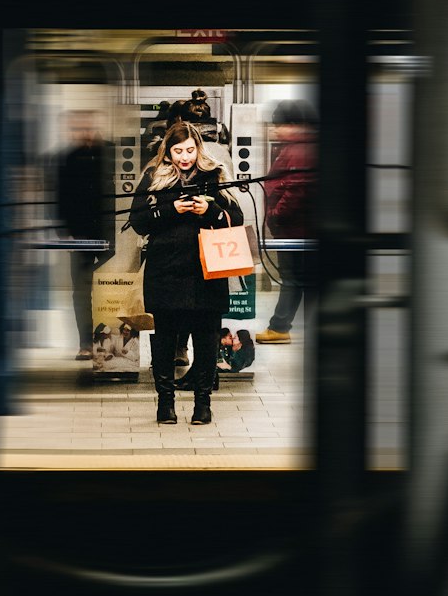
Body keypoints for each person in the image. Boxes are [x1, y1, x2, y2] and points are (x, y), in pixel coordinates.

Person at [129, 120, 243, 425]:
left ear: (198, 148)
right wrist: (170, 210)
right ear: (167, 152)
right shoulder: (153, 177)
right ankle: (165, 404)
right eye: (178, 151)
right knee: (165, 339)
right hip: (165, 270)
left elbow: (235, 218)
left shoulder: (215, 174)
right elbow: (137, 221)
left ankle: (202, 404)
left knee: (206, 340)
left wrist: (210, 211)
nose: (184, 157)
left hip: (207, 271)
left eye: (190, 150)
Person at [256, 99, 317, 344]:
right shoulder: (296, 147)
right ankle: (281, 326)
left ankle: (280, 328)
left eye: (279, 125)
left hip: (294, 229)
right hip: (296, 228)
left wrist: (275, 215)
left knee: (292, 278)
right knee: (297, 278)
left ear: (295, 124)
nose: (275, 130)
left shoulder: (300, 150)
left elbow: (296, 190)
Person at [56, 111, 115, 359]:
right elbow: (60, 197)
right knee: (81, 290)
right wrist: (65, 233)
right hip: (79, 234)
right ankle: (85, 342)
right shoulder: (68, 158)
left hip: (109, 234)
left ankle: (109, 341)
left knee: (112, 287)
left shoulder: (113, 153)